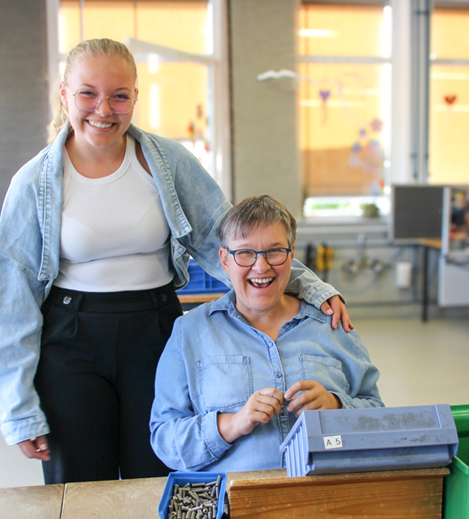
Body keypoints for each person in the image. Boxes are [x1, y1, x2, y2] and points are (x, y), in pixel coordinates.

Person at [0, 39, 352, 485]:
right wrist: (17, 410)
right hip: (71, 338)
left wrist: (314, 288)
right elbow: (9, 296)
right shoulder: (34, 182)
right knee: (79, 483)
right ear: (63, 94)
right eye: (87, 93)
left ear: (135, 97)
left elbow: (234, 243)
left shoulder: (167, 163)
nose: (104, 108)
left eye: (119, 95)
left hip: (154, 329)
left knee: (158, 470)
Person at [150, 195, 384, 473]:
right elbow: (165, 439)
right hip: (232, 505)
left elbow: (379, 417)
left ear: (291, 255)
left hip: (327, 501)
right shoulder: (190, 332)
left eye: (274, 251)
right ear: (224, 260)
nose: (261, 267)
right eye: (245, 253)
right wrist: (232, 424)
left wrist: (336, 406)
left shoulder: (332, 324)